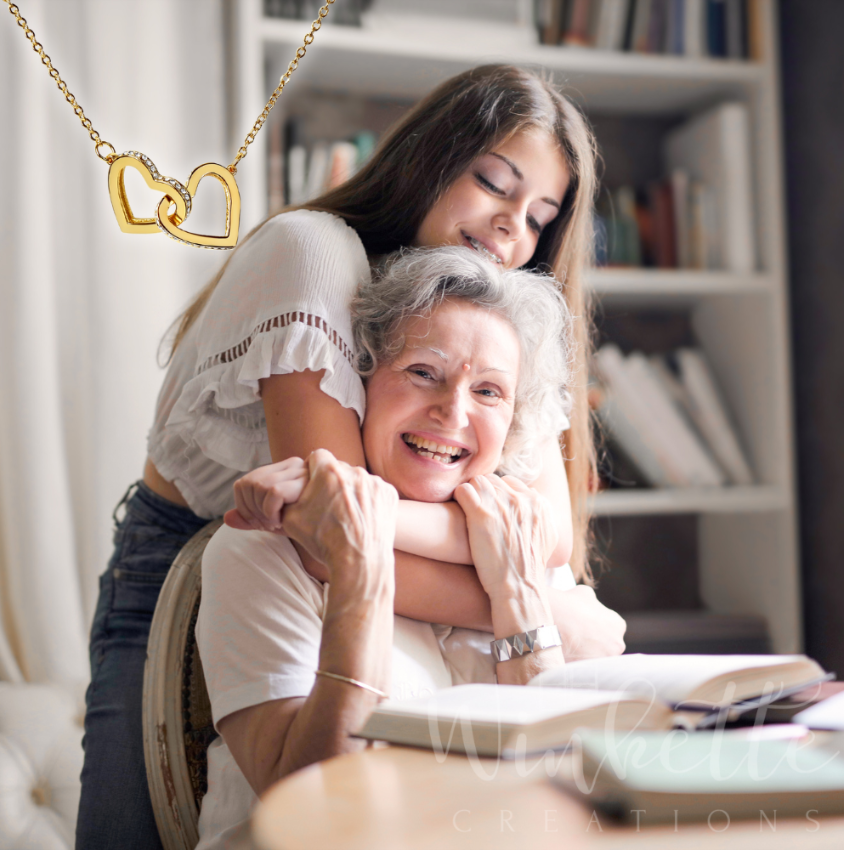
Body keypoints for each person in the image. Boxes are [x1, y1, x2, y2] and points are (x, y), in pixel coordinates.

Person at [76, 64, 620, 850]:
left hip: (354, 565)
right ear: (428, 159)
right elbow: (336, 538)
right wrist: (533, 602)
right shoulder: (313, 252)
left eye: (540, 217)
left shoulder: (495, 314)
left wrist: (521, 575)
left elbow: (549, 533)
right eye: (493, 184)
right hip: (197, 562)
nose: (512, 228)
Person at [195, 247, 607, 848]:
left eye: (489, 391)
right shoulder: (262, 553)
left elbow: (560, 794)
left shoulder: (518, 547)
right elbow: (320, 810)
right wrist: (358, 572)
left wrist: (519, 594)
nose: (453, 411)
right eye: (422, 372)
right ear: (361, 381)